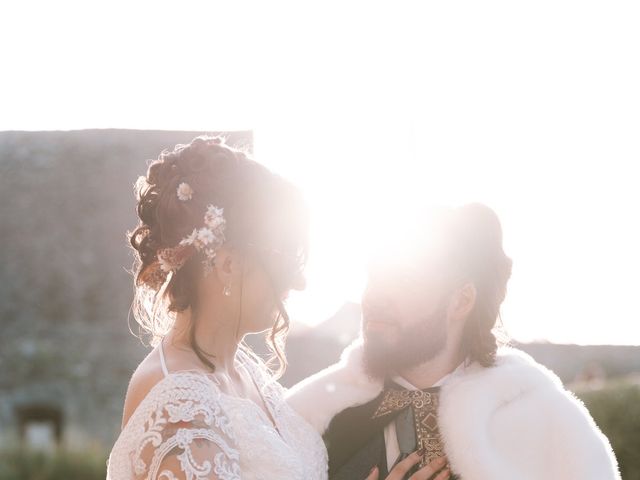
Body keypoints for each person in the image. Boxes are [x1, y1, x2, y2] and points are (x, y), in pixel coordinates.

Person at [106, 135, 447, 479]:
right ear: (227, 265)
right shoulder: (177, 404)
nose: (298, 283)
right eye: (286, 261)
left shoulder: (245, 371)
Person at [286, 203, 622, 480]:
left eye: (403, 278)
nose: (375, 295)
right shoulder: (308, 417)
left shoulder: (551, 423)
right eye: (374, 276)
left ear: (461, 301)